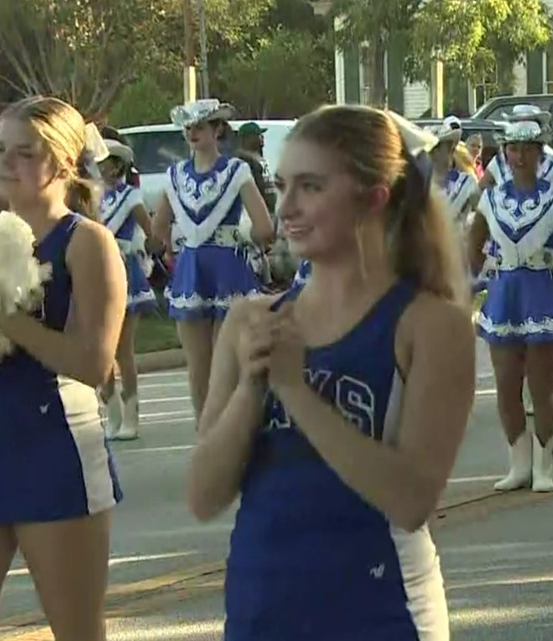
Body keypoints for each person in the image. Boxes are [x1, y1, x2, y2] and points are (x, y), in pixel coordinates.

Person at [189, 105, 474, 640]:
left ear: (374, 198)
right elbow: (203, 495)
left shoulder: (431, 325)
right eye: (282, 184)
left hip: (382, 610)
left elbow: (411, 500)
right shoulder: (251, 320)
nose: (287, 206)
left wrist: (296, 391)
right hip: (261, 607)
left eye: (311, 186)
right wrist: (253, 387)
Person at [0, 96, 126, 640]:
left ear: (64, 165)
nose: (5, 162)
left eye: (25, 152)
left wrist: (2, 316)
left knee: (75, 629)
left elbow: (94, 362)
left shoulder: (86, 242)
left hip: (52, 447)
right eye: (0, 148)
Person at [470, 120, 553, 492]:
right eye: (513, 148)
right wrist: (490, 267)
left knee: (541, 386)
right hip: (505, 293)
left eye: (527, 148)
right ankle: (518, 464)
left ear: (541, 154)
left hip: (542, 291)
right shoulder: (491, 198)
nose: (519, 156)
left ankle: (544, 463)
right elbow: (471, 246)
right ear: (504, 153)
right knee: (507, 385)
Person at [150, 100, 275, 427]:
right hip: (214, 267)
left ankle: (217, 436)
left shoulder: (220, 172)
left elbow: (157, 232)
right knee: (209, 366)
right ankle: (210, 437)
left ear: (217, 129)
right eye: (188, 128)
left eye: (200, 127)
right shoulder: (226, 171)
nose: (193, 133)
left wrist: (173, 247)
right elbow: (264, 230)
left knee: (214, 367)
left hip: (214, 270)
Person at [98, 138, 159, 441]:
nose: (100, 167)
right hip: (96, 274)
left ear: (117, 165)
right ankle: (112, 414)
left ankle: (131, 417)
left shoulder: (131, 197)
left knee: (123, 349)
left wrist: (142, 247)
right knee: (100, 350)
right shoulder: (89, 197)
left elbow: (152, 234)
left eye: (105, 162)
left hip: (125, 271)